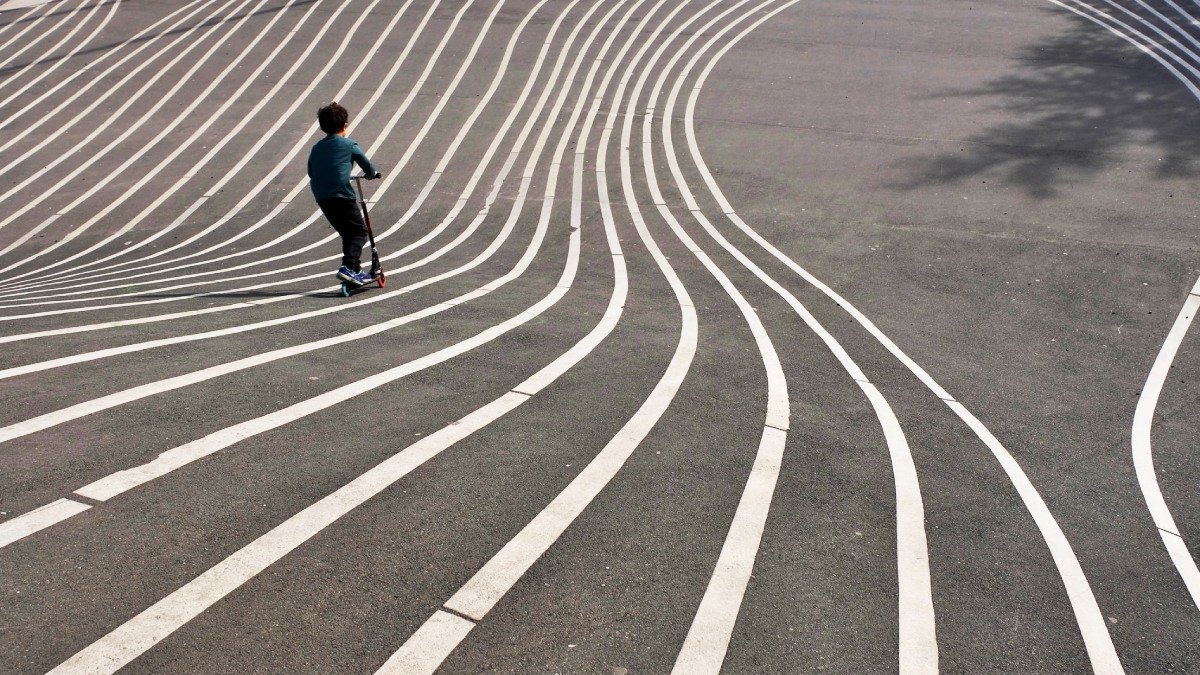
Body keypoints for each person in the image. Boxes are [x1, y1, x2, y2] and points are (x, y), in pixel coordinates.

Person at [307, 101, 382, 286]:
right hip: (341, 194)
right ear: (345, 125)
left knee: (347, 233)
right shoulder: (349, 144)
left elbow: (310, 171)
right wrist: (371, 175)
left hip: (321, 196)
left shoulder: (316, 147)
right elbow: (367, 166)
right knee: (359, 232)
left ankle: (354, 270)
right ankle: (348, 267)